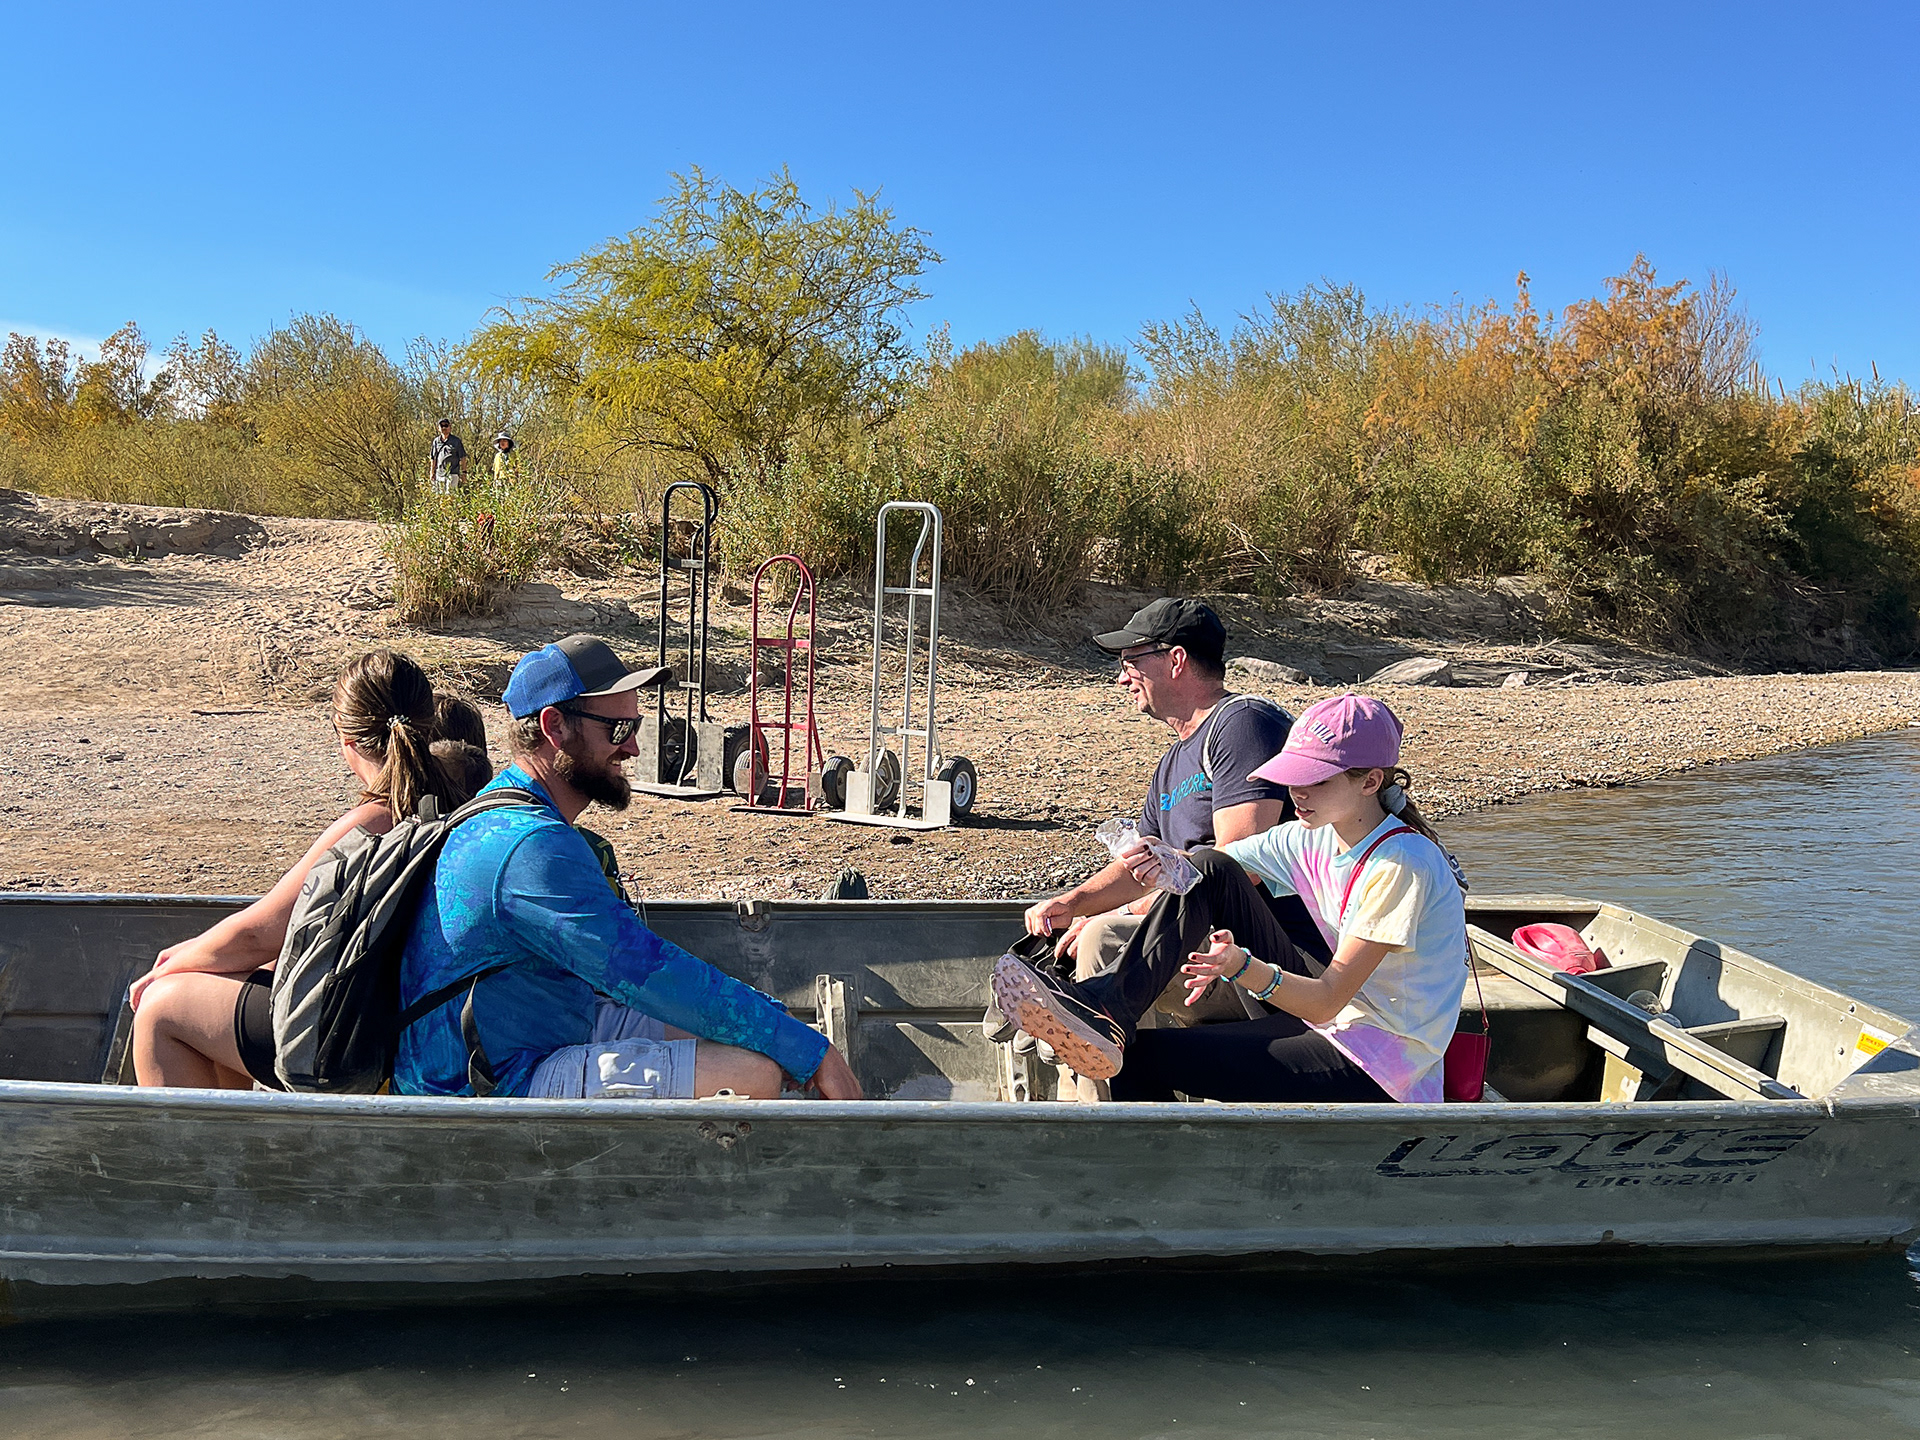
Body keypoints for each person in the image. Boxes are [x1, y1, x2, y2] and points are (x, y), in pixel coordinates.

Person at [392, 633, 862, 1101]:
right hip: (477, 1085)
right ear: (555, 727)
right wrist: (811, 1051)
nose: (634, 748)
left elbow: (643, 975)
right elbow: (644, 969)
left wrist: (777, 1025)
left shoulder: (508, 811)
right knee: (752, 1073)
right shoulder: (530, 846)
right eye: (617, 730)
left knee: (757, 1038)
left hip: (536, 1030)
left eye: (635, 725)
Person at [992, 693, 1469, 1105]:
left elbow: (1325, 1002)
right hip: (1333, 1020)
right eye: (1292, 775)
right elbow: (1199, 871)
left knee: (1136, 1060)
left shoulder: (1400, 865)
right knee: (1209, 865)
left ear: (1370, 782)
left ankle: (1162, 1189)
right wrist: (1135, 876)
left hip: (1379, 1062)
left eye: (1315, 780)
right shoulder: (1315, 837)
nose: (1295, 792)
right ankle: (1108, 1008)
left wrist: (1243, 967)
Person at [994, 598, 1314, 1097]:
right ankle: (1099, 1061)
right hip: (1198, 940)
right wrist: (1070, 905)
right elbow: (1136, 867)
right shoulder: (1172, 763)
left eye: (1130, 662)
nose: (1122, 678)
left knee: (1102, 938)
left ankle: (1102, 1107)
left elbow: (1238, 864)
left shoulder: (1242, 724)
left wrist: (1124, 913)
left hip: (1271, 953)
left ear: (1175, 660)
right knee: (1081, 932)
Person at [132, 650, 468, 1089]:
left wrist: (170, 967)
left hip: (356, 1036)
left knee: (163, 1006)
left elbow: (259, 933)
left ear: (346, 738)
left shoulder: (374, 821)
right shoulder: (456, 804)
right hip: (409, 1016)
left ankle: (192, 1158)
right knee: (233, 988)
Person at [430, 418, 467, 492]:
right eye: (442, 426)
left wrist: (464, 473)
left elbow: (463, 457)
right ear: (438, 428)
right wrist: (432, 472)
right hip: (439, 474)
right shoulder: (436, 441)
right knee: (440, 497)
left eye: (446, 426)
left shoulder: (456, 441)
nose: (444, 428)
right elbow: (433, 458)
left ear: (450, 427)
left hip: (452, 474)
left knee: (450, 496)